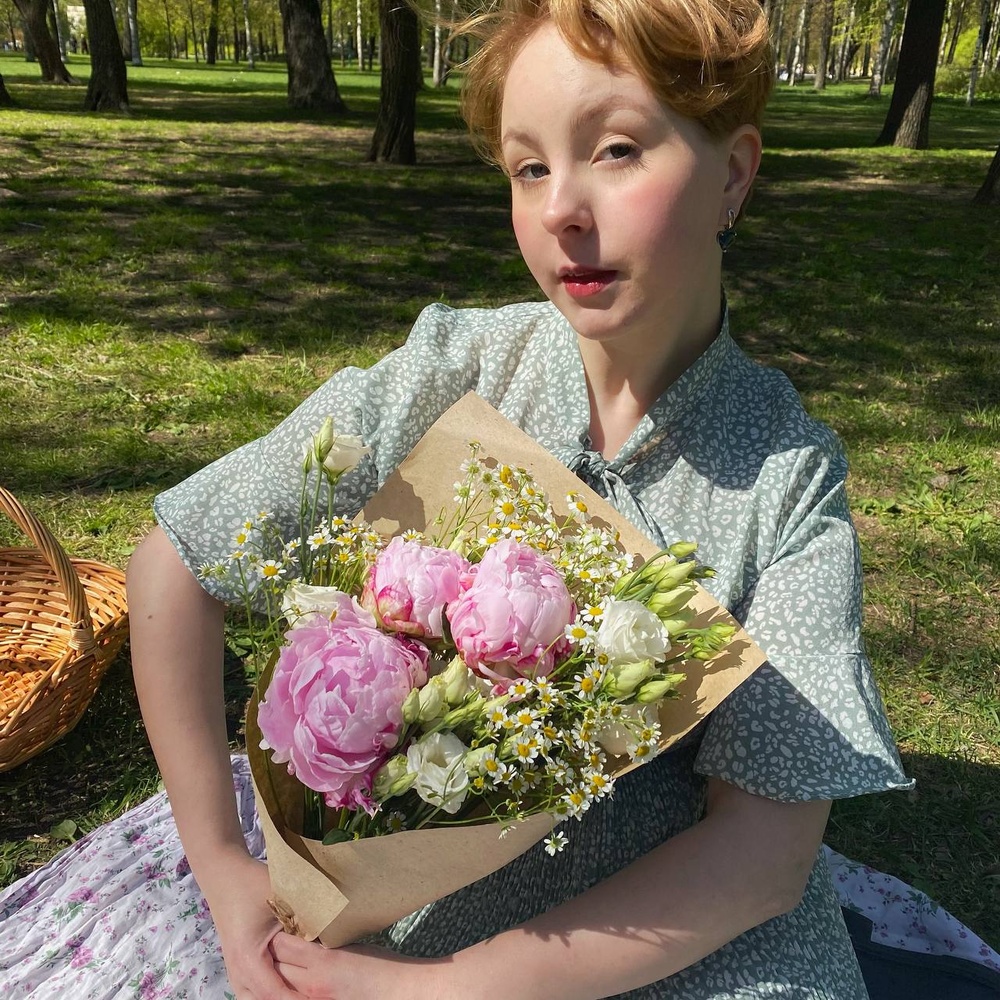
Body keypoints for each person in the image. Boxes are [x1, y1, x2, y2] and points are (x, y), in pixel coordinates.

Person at [130, 1, 911, 998]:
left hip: (687, 947)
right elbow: (175, 560)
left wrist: (443, 989)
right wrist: (223, 866)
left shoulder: (785, 478)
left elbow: (760, 857)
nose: (558, 211)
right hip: (409, 920)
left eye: (617, 149)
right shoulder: (454, 372)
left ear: (733, 173)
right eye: (527, 167)